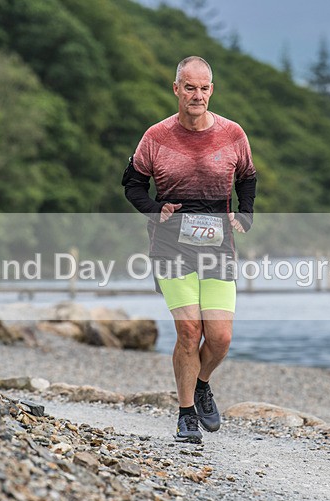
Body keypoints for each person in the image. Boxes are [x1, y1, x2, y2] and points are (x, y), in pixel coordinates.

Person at [123, 56, 257, 443]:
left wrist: (245, 215)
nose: (196, 95)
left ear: (211, 90)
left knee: (219, 338)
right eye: (189, 87)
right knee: (187, 330)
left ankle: (201, 384)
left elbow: (247, 178)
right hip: (170, 247)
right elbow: (132, 184)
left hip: (219, 247)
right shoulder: (156, 136)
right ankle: (186, 416)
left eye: (203, 88)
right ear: (176, 89)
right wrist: (154, 209)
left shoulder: (233, 134)